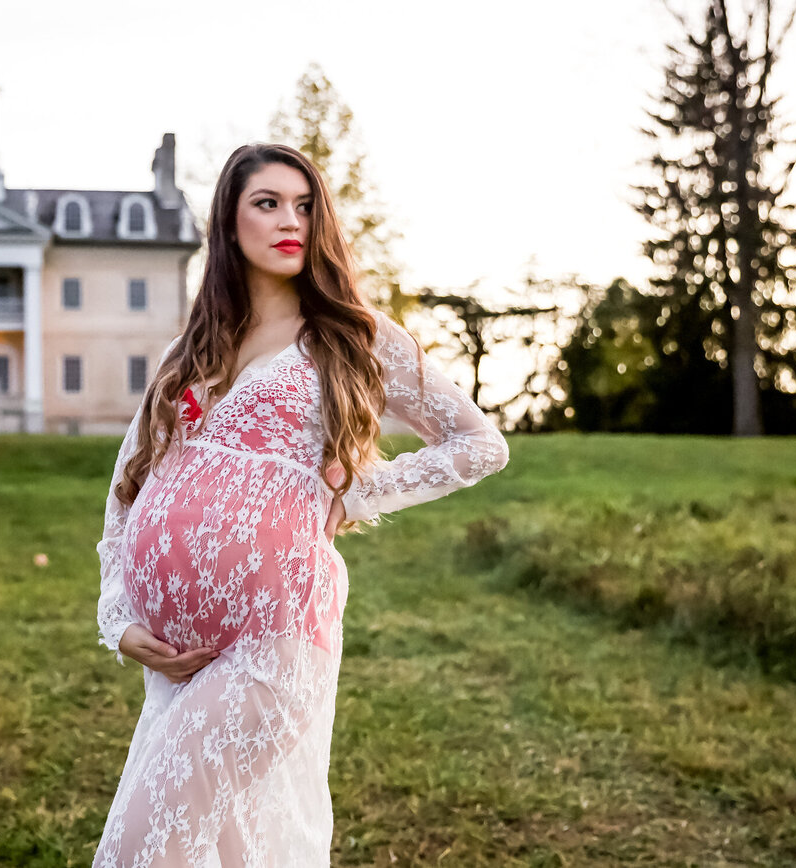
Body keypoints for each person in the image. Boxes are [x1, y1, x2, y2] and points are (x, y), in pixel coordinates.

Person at [92, 143, 509, 867]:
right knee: (217, 850)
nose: (292, 220)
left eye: (306, 205)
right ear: (228, 223)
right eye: (268, 203)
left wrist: (348, 494)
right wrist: (118, 618)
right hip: (179, 659)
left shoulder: (356, 337)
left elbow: (477, 445)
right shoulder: (189, 353)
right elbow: (128, 491)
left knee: (143, 847)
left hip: (276, 639)